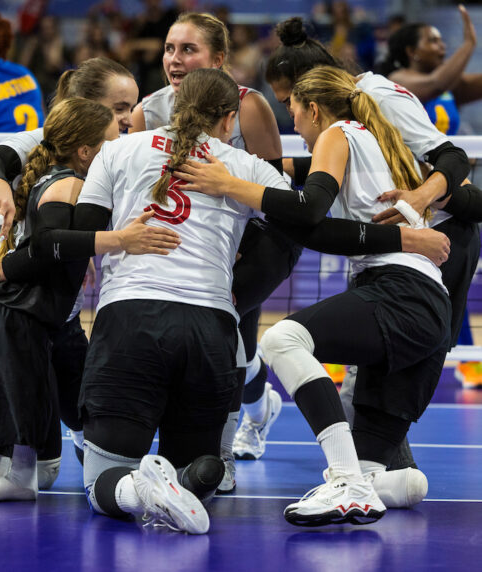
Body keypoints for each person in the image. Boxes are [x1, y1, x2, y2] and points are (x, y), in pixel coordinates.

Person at [175, 65, 452, 526]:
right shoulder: (373, 138)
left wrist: (229, 186)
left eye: (294, 114)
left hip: (399, 292)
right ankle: (375, 482)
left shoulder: (336, 134)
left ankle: (342, 479)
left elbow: (308, 211)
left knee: (282, 340)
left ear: (314, 108)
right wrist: (258, 175)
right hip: (427, 307)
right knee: (379, 473)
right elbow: (317, 218)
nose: (295, 130)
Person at [230, 16, 479, 476]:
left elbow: (453, 161)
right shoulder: (357, 126)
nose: (288, 115)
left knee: (307, 347)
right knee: (375, 402)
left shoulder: (372, 103)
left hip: (428, 254)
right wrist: (275, 167)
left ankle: (351, 475)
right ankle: (374, 474)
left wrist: (417, 203)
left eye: (290, 104)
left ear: (313, 99)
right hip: (407, 261)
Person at [0, 97, 180, 503]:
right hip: (12, 323)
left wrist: (9, 258)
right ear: (86, 151)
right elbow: (50, 242)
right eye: (113, 138)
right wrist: (119, 240)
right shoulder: (69, 183)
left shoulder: (26, 181)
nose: (121, 144)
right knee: (23, 467)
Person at [130, 11, 297, 493]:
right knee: (230, 355)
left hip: (241, 248)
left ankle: (217, 453)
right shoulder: (146, 111)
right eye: (169, 49)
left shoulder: (249, 107)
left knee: (228, 345)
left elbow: (274, 193)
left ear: (219, 59)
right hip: (173, 250)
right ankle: (258, 404)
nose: (175, 59)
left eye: (188, 49)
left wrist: (245, 249)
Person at [0, 57, 140, 479]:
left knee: (79, 402)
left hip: (56, 304)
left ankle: (83, 455)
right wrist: (0, 184)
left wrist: (85, 252)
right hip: (21, 302)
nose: (129, 119)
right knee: (38, 417)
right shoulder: (50, 143)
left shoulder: (121, 146)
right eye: (118, 109)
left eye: (131, 107)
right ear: (85, 108)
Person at [379, 4, 482, 388]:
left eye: (444, 41)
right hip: (406, 201)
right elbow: (438, 83)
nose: (441, 45)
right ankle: (351, 361)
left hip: (443, 197)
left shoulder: (447, 83)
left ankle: (466, 360)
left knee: (454, 281)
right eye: (433, 40)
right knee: (410, 283)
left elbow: (458, 83)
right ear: (411, 51)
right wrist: (469, 43)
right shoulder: (397, 82)